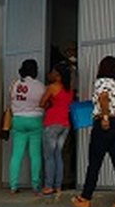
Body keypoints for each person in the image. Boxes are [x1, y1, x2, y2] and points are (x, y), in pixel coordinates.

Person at [71, 55, 115, 207]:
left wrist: (105, 117)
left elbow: (103, 97)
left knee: (95, 163)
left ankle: (85, 198)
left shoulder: (102, 82)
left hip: (105, 124)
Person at [6, 58, 46, 194]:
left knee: (16, 154)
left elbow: (10, 101)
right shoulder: (40, 86)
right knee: (35, 155)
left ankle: (13, 185)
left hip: (18, 120)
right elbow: (44, 103)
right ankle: (35, 185)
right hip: (35, 120)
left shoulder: (14, 84)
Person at [39, 63, 73, 195]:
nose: (50, 74)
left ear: (57, 75)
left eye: (52, 72)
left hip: (52, 123)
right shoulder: (69, 89)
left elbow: (42, 103)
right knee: (58, 155)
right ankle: (58, 185)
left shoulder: (52, 87)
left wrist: (49, 105)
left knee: (49, 156)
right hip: (65, 124)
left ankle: (48, 186)